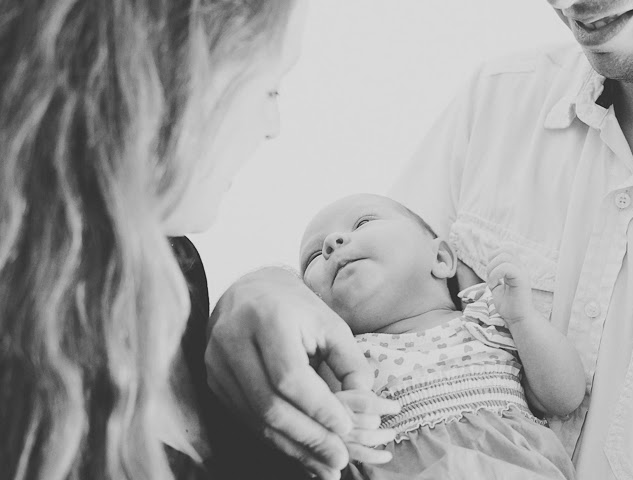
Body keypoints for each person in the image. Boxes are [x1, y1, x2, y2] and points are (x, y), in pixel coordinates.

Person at [204, 0, 633, 479]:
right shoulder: (500, 97)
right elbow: (381, 270)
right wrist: (261, 291)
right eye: (316, 255)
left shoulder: (493, 320)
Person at [0, 1, 387, 480]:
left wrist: (266, 286)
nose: (274, 126)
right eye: (270, 87)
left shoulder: (175, 266)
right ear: (166, 71)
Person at [299, 193, 582, 479]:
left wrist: (522, 318)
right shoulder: (345, 362)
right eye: (313, 257)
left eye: (362, 223)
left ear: (440, 258)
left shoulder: (488, 320)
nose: (331, 243)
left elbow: (564, 399)